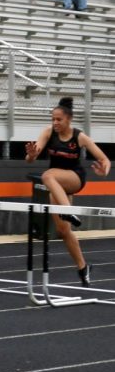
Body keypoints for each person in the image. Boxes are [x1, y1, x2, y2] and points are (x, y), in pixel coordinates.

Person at [25, 97, 110, 287]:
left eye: (59, 120)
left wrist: (104, 170)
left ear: (68, 119)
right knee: (64, 231)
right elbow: (31, 157)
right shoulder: (48, 133)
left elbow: (105, 159)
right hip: (58, 186)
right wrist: (31, 155)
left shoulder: (79, 137)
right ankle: (83, 267)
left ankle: (68, 211)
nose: (55, 123)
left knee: (47, 176)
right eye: (53, 119)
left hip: (74, 179)